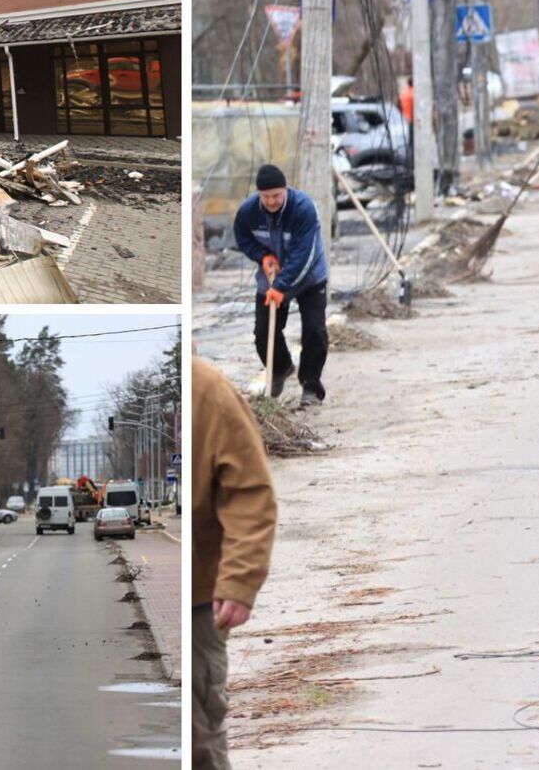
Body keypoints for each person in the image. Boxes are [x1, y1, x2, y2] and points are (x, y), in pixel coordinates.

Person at [191, 357, 279, 770]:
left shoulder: (207, 390)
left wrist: (240, 581)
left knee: (199, 742)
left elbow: (249, 492)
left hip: (200, 606)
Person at [234, 164, 332, 405]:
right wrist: (262, 256)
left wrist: (281, 287)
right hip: (271, 277)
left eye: (276, 195)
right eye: (265, 196)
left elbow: (304, 256)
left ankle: (311, 387)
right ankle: (280, 368)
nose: (271, 201)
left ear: (285, 190)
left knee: (314, 332)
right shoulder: (248, 211)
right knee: (263, 332)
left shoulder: (303, 209)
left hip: (309, 277)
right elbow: (242, 237)